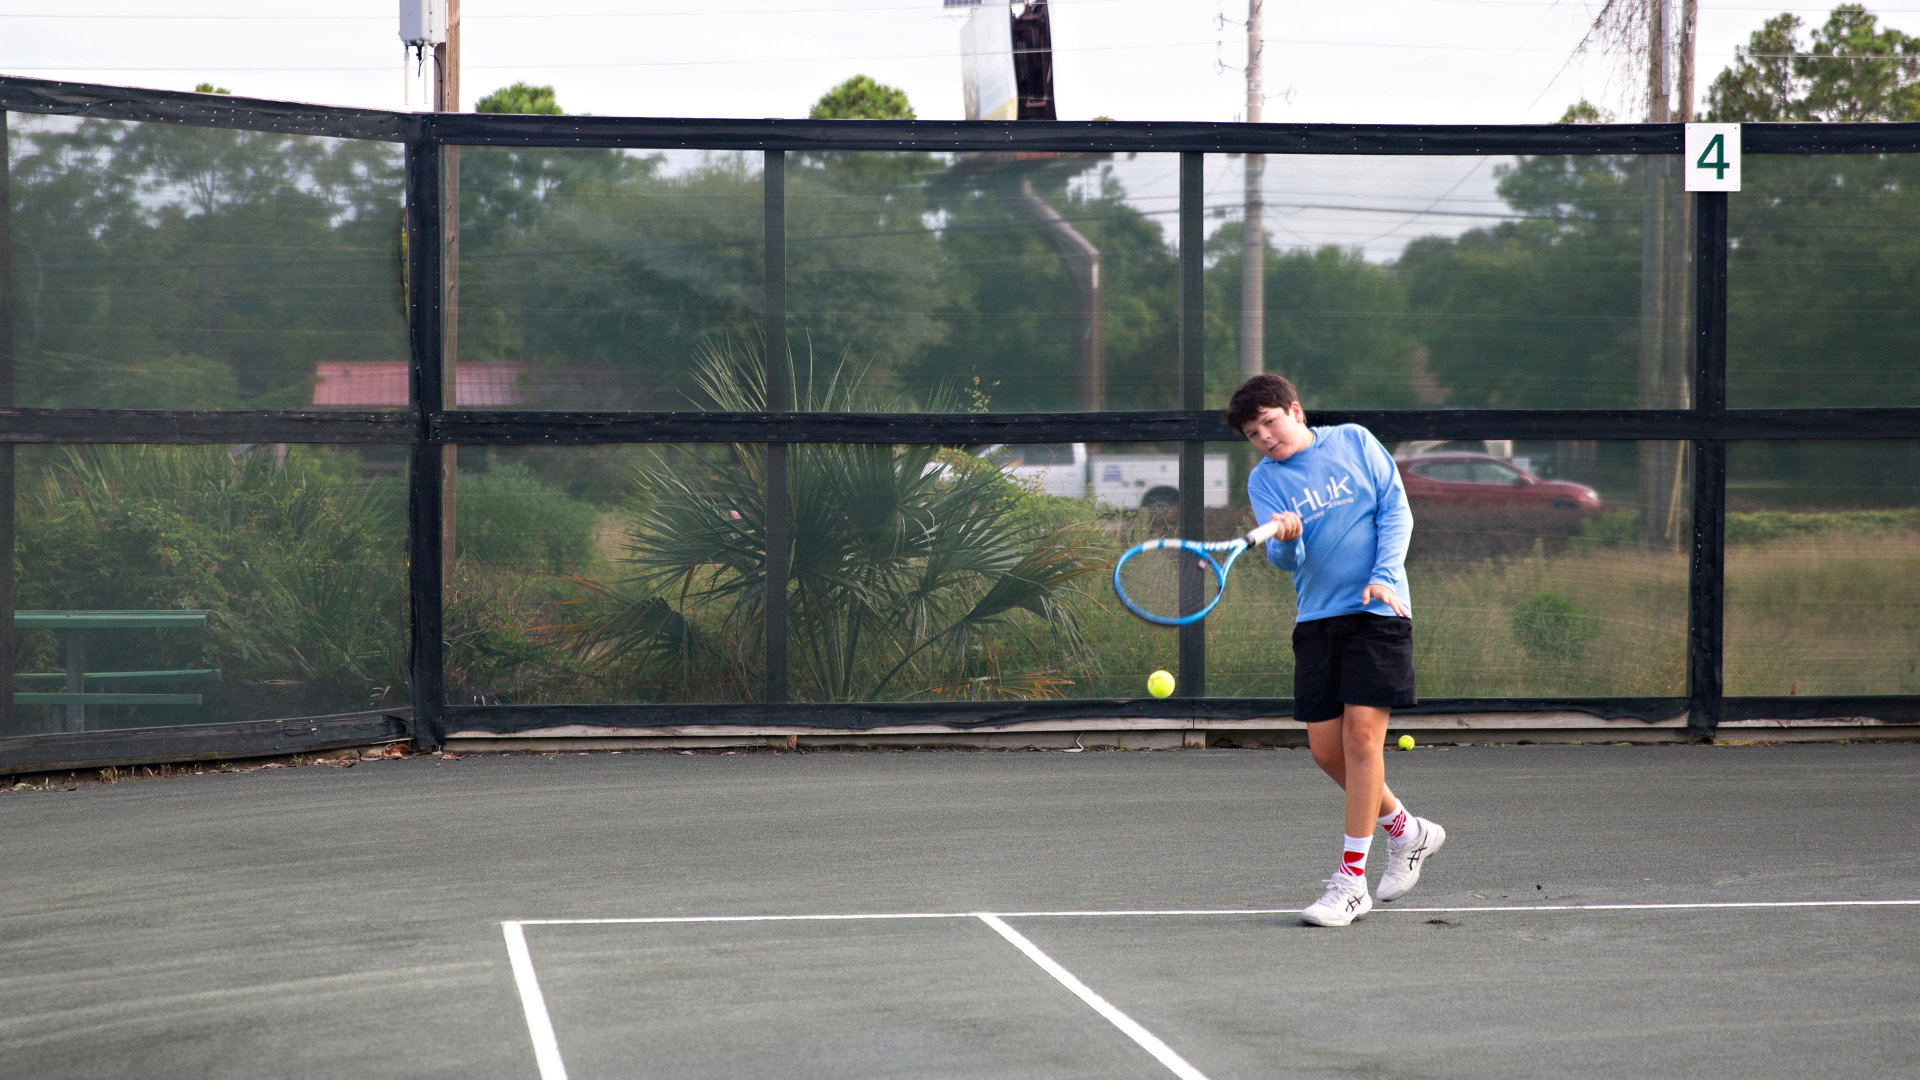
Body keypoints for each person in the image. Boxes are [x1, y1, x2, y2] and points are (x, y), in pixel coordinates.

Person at [1224, 373, 1445, 927]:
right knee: (1328, 750)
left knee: (1363, 738)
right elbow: (1283, 564)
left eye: (1270, 423)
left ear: (1295, 411)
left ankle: (1351, 882)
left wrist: (1384, 575)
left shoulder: (1354, 441)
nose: (1265, 438)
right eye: (1253, 433)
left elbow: (1396, 511)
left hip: (1378, 610)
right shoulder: (1264, 483)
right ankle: (1407, 831)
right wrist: (1288, 541)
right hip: (1317, 617)